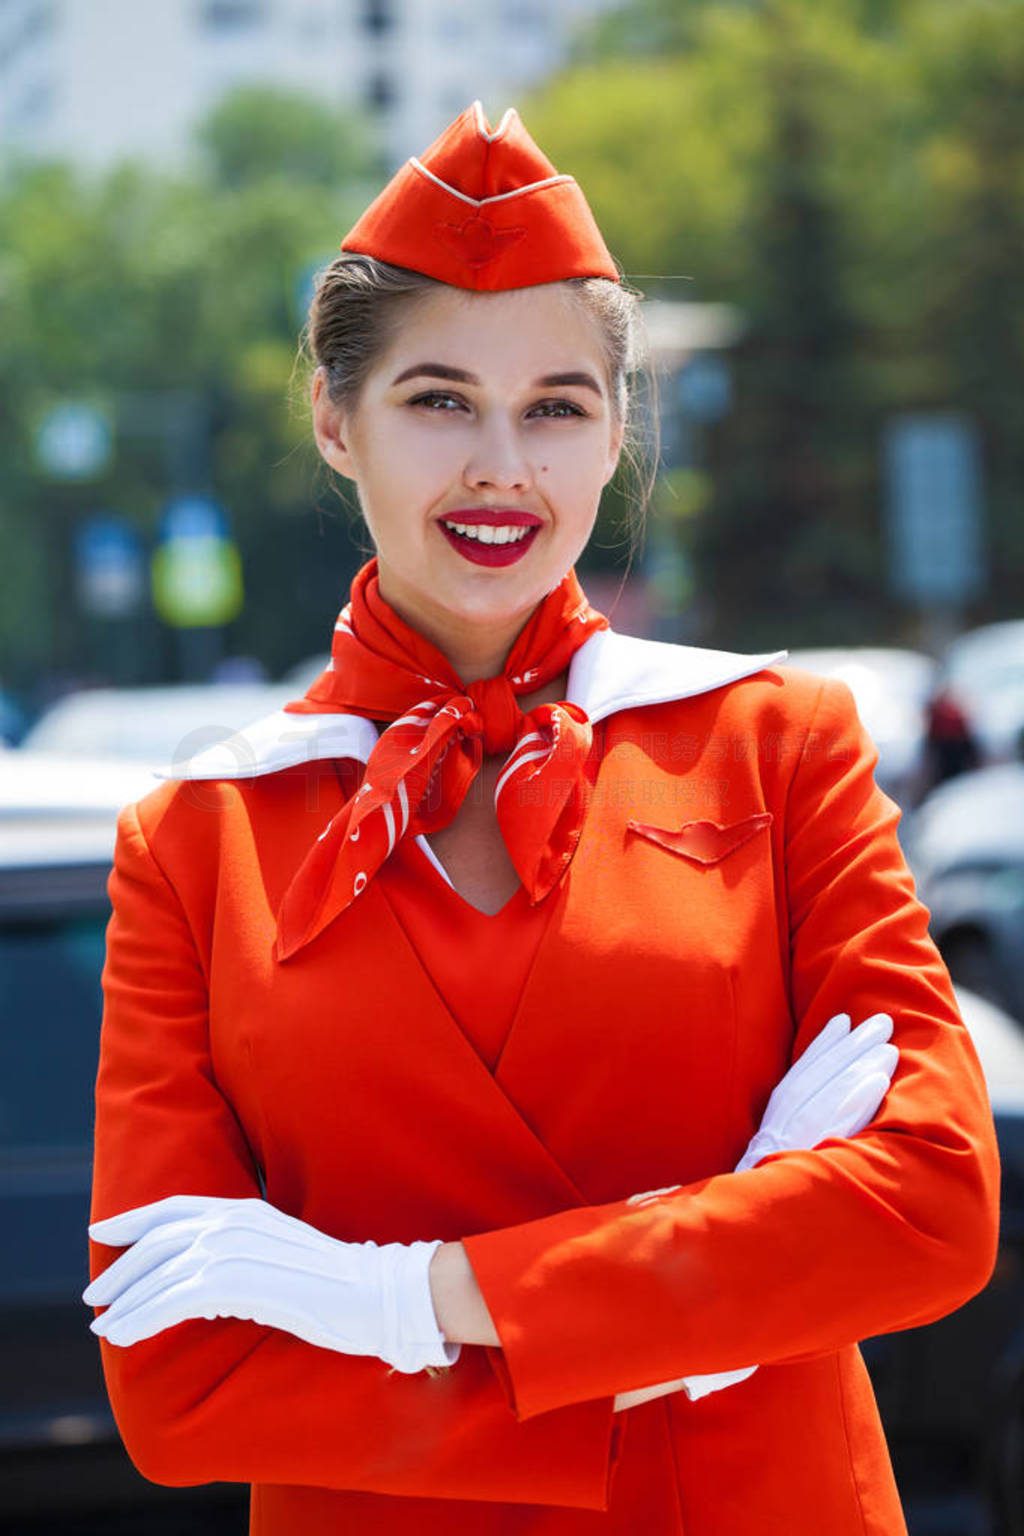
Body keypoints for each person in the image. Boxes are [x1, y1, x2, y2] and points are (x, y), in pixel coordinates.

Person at [84, 101, 1000, 1536]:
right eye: (438, 398)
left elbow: (933, 1202)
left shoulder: (777, 745)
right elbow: (177, 1383)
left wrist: (409, 1300)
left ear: (617, 430)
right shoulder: (193, 841)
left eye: (557, 406)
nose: (502, 466)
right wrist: (706, 1314)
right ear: (335, 420)